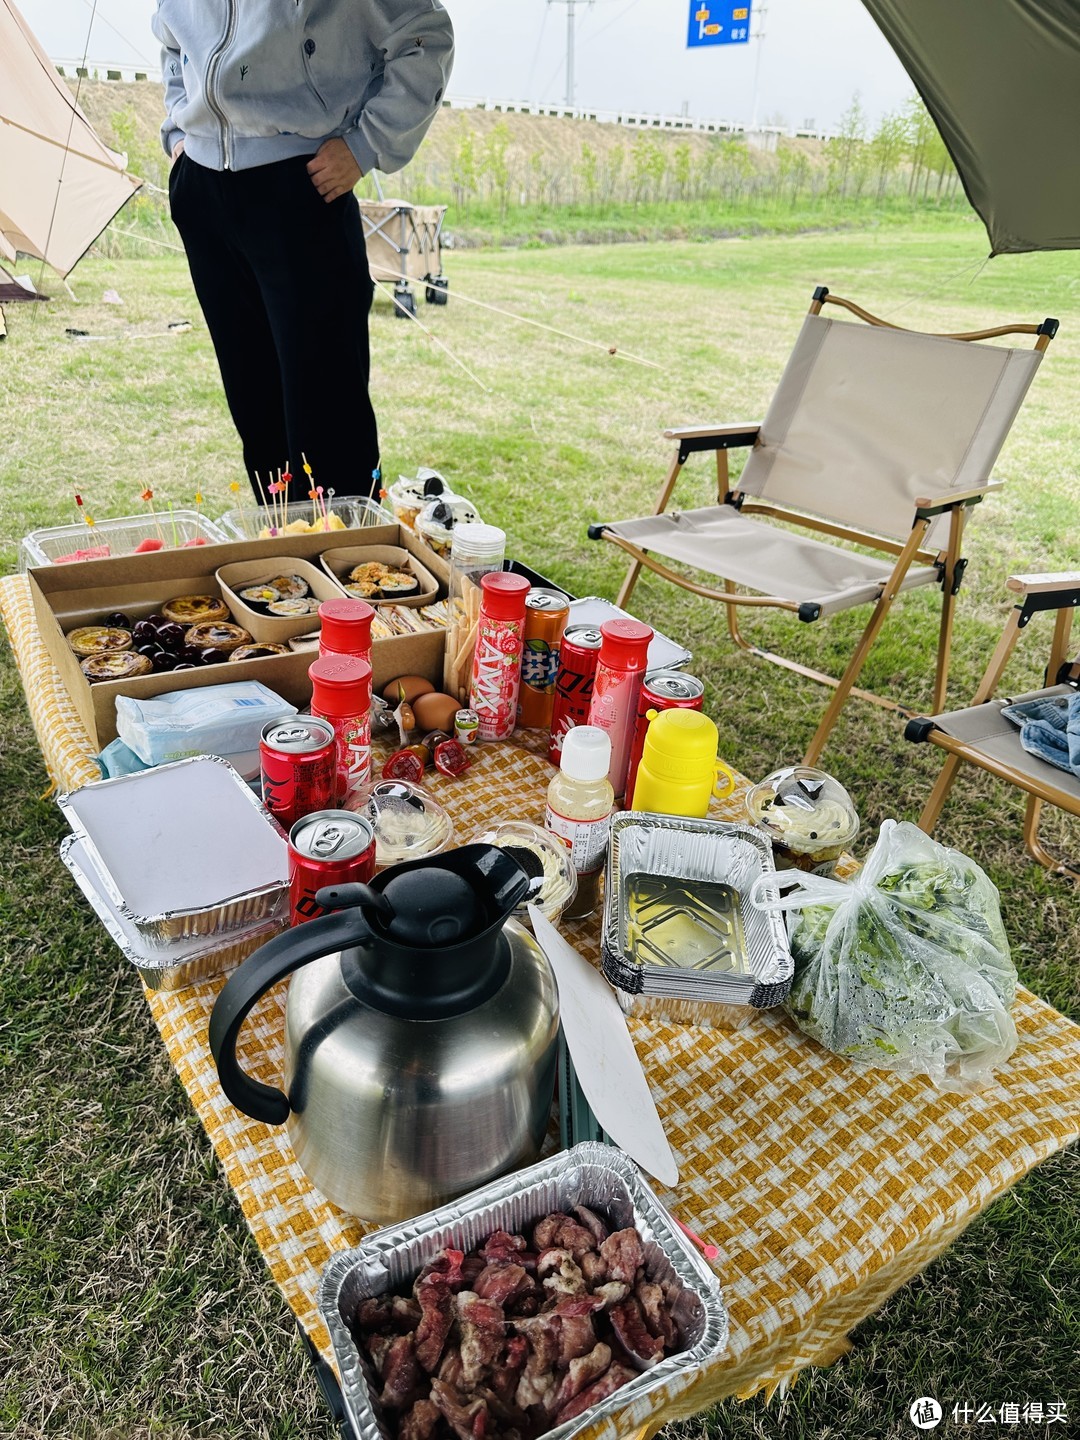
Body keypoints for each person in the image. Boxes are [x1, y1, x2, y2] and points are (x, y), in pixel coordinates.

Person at [152, 1, 454, 503]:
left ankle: (349, 570)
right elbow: (171, 39)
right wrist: (181, 135)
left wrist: (366, 144)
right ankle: (286, 559)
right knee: (255, 408)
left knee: (329, 418)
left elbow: (424, 35)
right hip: (203, 190)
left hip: (301, 183)